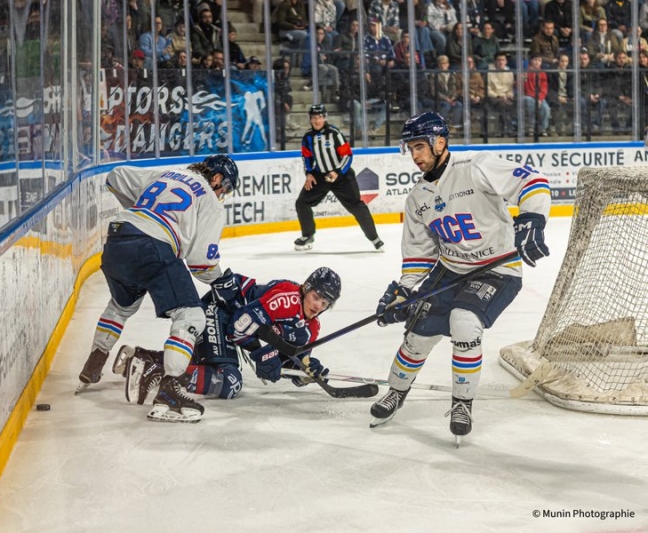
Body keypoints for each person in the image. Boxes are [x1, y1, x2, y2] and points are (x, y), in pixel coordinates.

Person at [368, 112, 551, 443]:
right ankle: (396, 392)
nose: (416, 155)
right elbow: (419, 255)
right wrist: (403, 293)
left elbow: (533, 181)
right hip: (449, 270)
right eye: (410, 149)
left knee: (464, 321)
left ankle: (462, 404)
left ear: (440, 142)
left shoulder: (475, 167)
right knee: (418, 333)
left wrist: (533, 218)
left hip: (497, 269)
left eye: (420, 146)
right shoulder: (417, 199)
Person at [76, 155, 240, 423]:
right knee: (191, 315)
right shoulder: (210, 200)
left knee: (122, 305)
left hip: (118, 237)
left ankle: (94, 362)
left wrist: (143, 213)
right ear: (217, 177)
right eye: (226, 187)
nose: (222, 194)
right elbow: (201, 263)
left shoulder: (168, 174)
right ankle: (170, 389)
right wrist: (222, 281)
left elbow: (115, 177)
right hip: (152, 247)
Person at [114, 267, 340, 405]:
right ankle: (158, 372)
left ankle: (139, 358)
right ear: (306, 288)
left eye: (325, 302)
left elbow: (289, 359)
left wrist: (305, 372)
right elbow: (237, 327)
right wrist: (260, 353)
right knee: (229, 382)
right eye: (316, 296)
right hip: (220, 310)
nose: (318, 305)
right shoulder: (287, 299)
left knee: (203, 364)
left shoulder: (312, 329)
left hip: (229, 322)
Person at [293, 104, 384, 252]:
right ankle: (308, 236)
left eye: (320, 117)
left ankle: (375, 238)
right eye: (314, 118)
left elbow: (347, 156)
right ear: (310, 119)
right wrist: (309, 173)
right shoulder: (308, 137)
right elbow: (306, 157)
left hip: (342, 177)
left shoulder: (334, 133)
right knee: (302, 203)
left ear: (325, 117)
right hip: (320, 177)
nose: (317, 121)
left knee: (357, 206)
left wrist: (337, 172)